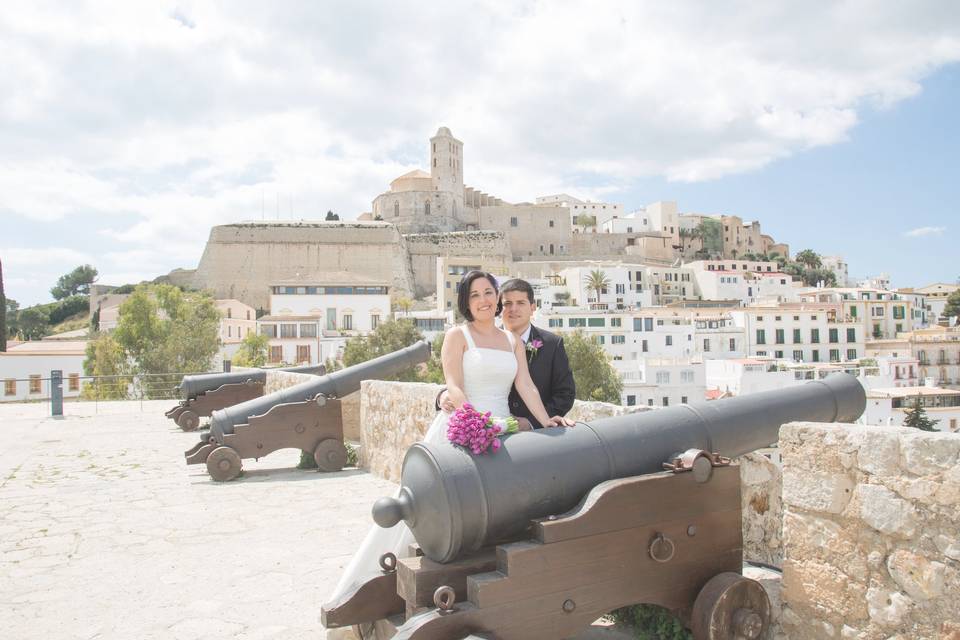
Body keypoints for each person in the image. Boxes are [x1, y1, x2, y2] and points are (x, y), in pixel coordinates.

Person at [328, 271, 572, 601]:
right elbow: (454, 386)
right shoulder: (458, 335)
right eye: (476, 295)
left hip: (504, 430)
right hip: (467, 426)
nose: (484, 300)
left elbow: (526, 386)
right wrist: (477, 422)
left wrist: (546, 421)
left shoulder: (511, 340)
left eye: (489, 292)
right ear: (465, 302)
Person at [437, 278, 576, 429]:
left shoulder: (547, 344)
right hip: (473, 426)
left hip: (509, 428)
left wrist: (541, 421)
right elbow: (457, 382)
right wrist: (445, 398)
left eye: (521, 303)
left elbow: (529, 385)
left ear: (532, 307)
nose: (513, 309)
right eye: (507, 303)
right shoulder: (457, 335)